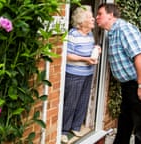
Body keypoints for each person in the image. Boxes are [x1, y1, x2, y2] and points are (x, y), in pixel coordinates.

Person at [96, 3, 141, 144]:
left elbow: (140, 57)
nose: (97, 17)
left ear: (111, 15)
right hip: (129, 84)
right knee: (125, 119)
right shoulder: (111, 33)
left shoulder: (124, 29)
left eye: (100, 14)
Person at [61, 5, 100, 143]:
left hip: (88, 73)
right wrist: (85, 59)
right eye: (90, 18)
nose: (93, 19)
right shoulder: (73, 34)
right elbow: (67, 56)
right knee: (70, 102)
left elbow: (89, 50)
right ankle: (63, 131)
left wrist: (96, 49)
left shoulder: (89, 34)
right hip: (74, 74)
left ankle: (75, 126)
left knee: (83, 101)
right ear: (81, 21)